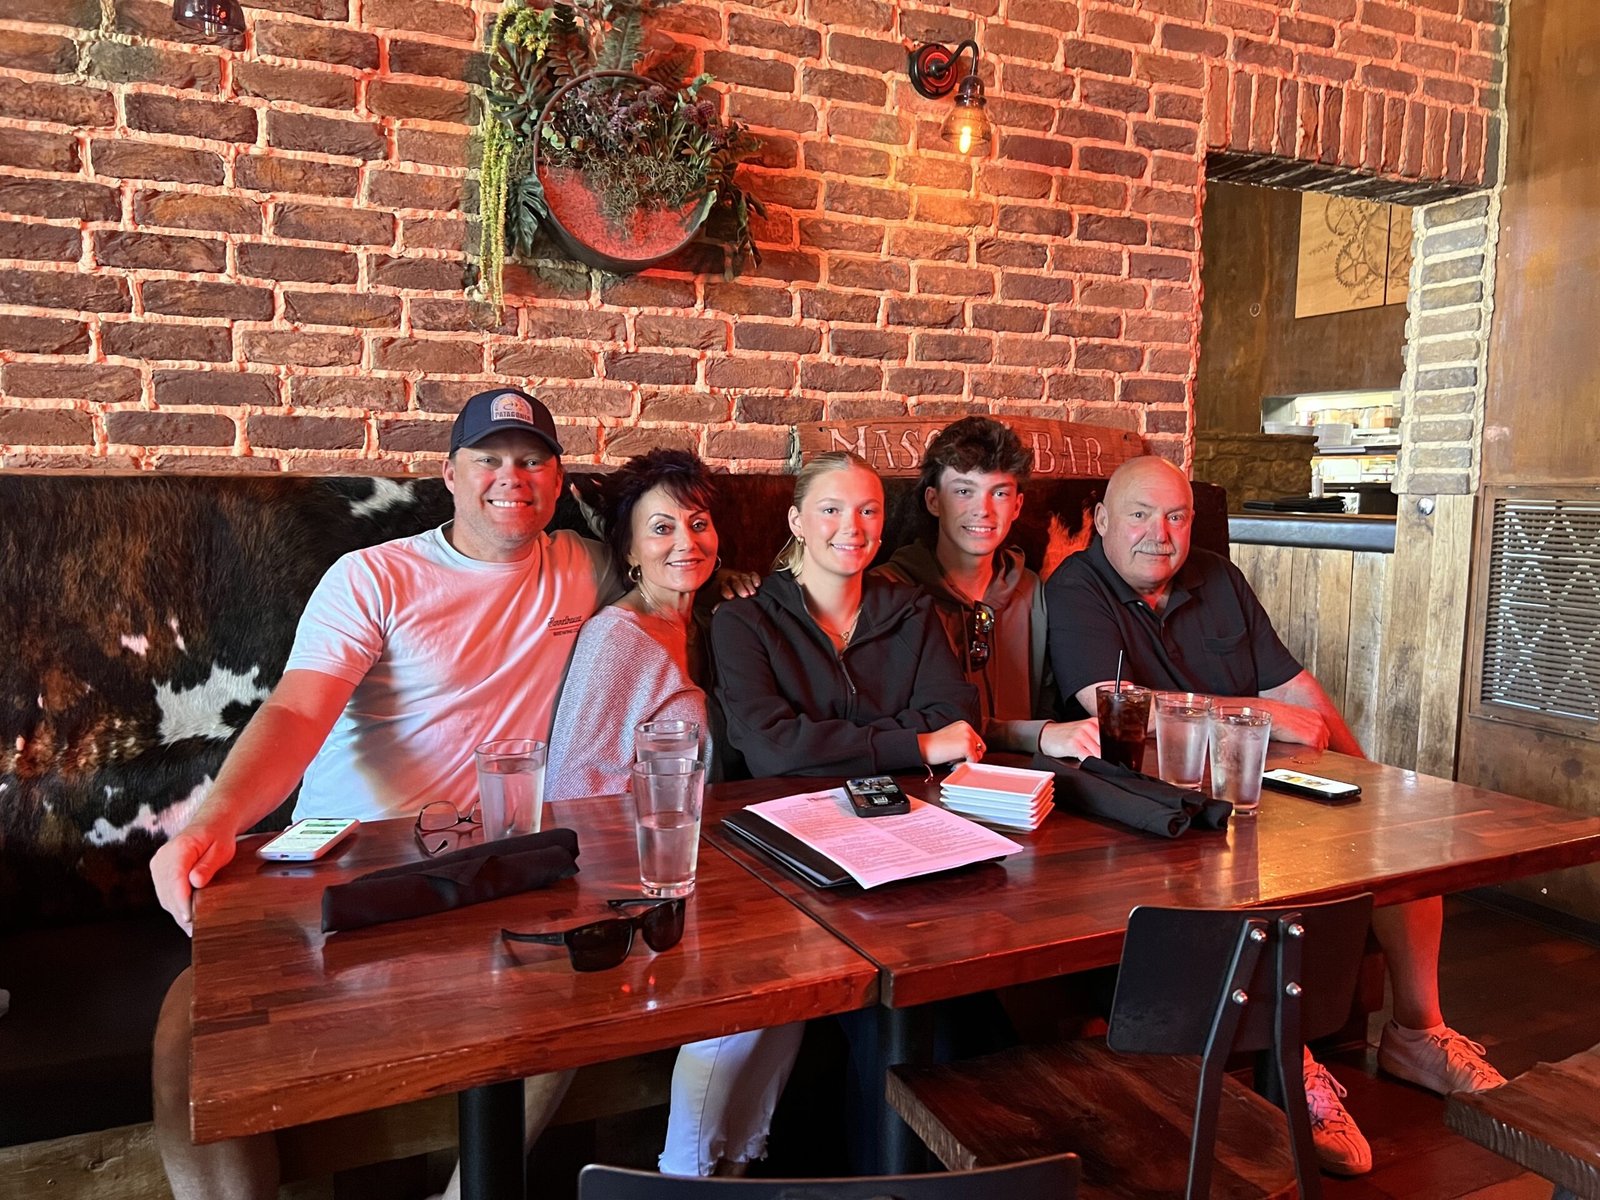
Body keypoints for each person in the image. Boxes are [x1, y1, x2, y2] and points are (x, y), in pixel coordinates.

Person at [147, 388, 616, 1200]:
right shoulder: (374, 577)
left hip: (492, 863)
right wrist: (212, 822)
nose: (512, 477)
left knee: (584, 975)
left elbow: (670, 574)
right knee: (191, 1034)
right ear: (451, 475)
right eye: (489, 459)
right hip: (346, 853)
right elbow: (297, 711)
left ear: (558, 479)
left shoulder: (585, 567)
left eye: (532, 460)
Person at [1044, 454, 1506, 1177]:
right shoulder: (1077, 587)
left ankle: (1419, 1034)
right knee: (1255, 882)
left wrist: (1372, 787)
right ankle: (1294, 1061)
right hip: (1157, 805)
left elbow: (1297, 690)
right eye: (1139, 515)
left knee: (1400, 845)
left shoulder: (1218, 578)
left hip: (1263, 787)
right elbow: (1111, 705)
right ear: (1102, 520)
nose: (1159, 533)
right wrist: (1259, 715)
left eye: (1176, 516)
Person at [544, 449, 803, 1177]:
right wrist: (650, 880)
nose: (685, 542)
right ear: (628, 550)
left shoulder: (710, 621)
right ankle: (686, 1175)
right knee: (747, 992)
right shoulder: (616, 639)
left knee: (801, 978)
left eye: (698, 523)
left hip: (714, 860)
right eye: (661, 528)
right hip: (639, 884)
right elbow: (575, 791)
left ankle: (736, 1164)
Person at [710, 451, 982, 777]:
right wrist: (920, 745)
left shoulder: (912, 610)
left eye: (867, 511)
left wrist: (822, 746)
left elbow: (955, 717)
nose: (852, 527)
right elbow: (771, 749)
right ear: (797, 522)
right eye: (831, 510)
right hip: (789, 803)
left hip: (908, 800)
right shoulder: (743, 620)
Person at [876, 416, 1100, 759]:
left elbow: (1048, 707)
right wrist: (1033, 734)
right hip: (926, 778)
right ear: (933, 501)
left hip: (1026, 780)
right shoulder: (889, 592)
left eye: (999, 493)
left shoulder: (1032, 590)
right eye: (964, 491)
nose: (983, 510)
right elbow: (902, 725)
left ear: (1017, 506)